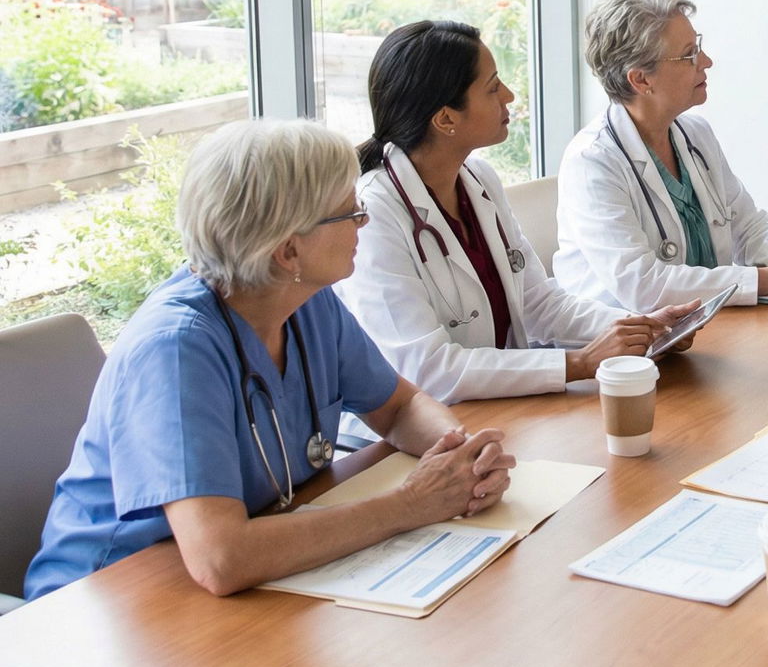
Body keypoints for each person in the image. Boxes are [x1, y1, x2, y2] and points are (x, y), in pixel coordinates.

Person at [25, 119, 515, 601]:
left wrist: (462, 457)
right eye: (349, 213)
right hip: (110, 600)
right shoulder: (174, 349)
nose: (363, 222)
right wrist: (411, 504)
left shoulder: (306, 300)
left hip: (256, 565)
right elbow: (222, 558)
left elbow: (400, 407)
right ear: (287, 250)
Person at [337, 20, 694, 404]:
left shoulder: (478, 180)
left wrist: (638, 329)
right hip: (427, 432)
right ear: (445, 119)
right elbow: (428, 369)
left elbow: (539, 303)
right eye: (492, 88)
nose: (508, 95)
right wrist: (578, 364)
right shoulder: (373, 214)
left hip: (503, 407)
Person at [556, 0, 768, 311]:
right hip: (624, 350)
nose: (706, 61)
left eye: (699, 46)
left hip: (707, 326)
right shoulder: (592, 162)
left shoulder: (695, 134)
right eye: (689, 54)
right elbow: (644, 287)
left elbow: (747, 226)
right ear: (641, 80)